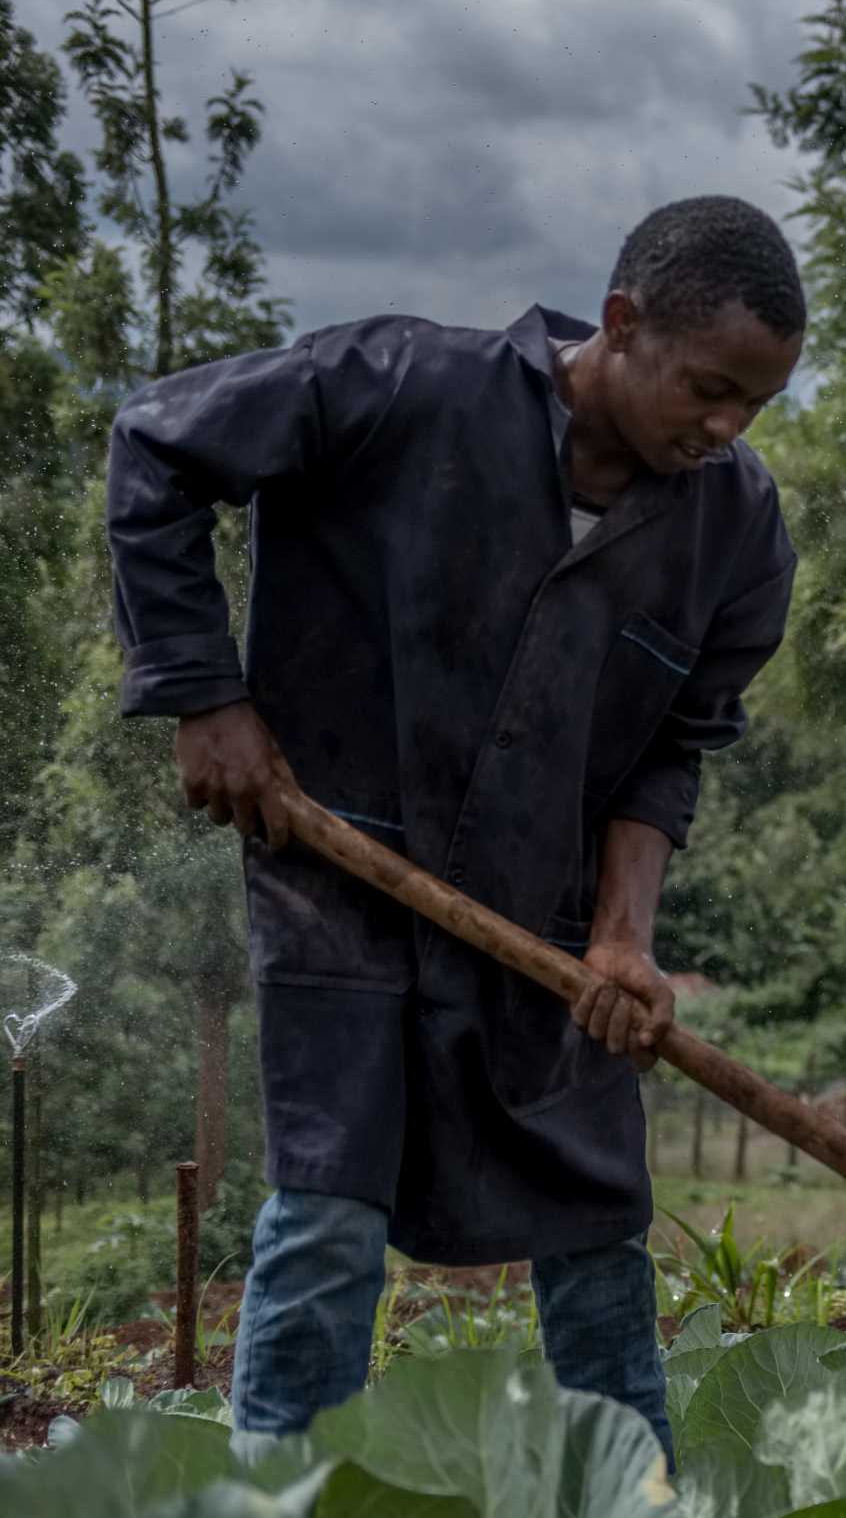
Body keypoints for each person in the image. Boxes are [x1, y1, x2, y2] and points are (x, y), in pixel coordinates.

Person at [105, 195, 808, 1454]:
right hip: (339, 869)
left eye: (753, 406)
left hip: (548, 915)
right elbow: (157, 447)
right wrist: (204, 692)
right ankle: (280, 1492)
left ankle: (628, 1492)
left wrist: (624, 939)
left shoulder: (738, 531)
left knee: (597, 1229)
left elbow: (668, 752)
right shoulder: (397, 388)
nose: (726, 429)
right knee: (327, 1215)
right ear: (619, 322)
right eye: (709, 389)